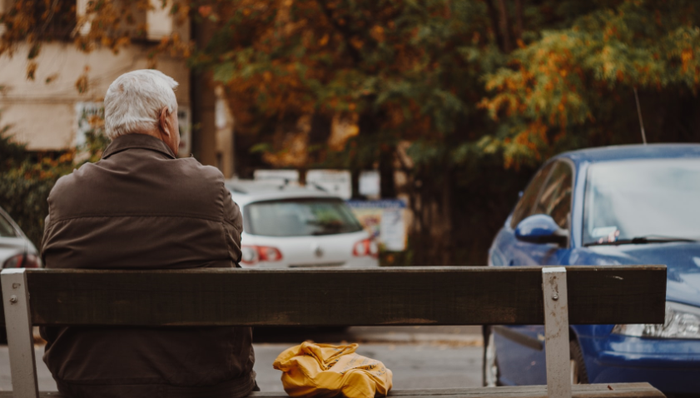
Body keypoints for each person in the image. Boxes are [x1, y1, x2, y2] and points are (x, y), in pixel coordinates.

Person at [40, 69, 256, 398]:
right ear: (165, 119)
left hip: (88, 383)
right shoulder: (206, 187)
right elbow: (231, 253)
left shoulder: (66, 195)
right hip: (205, 384)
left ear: (111, 126)